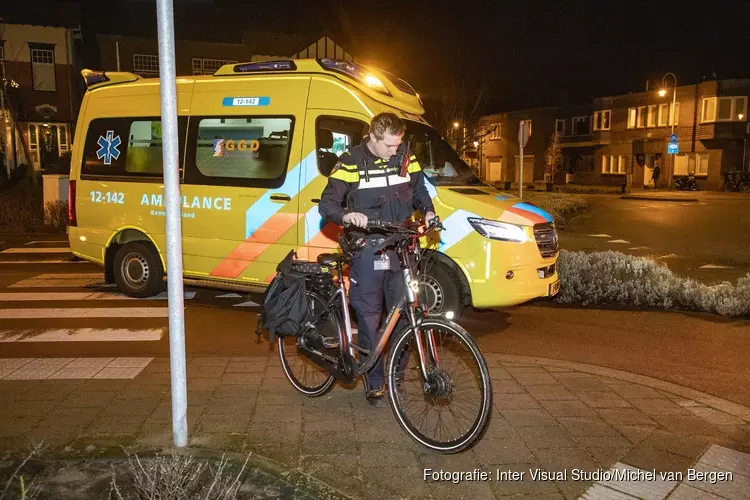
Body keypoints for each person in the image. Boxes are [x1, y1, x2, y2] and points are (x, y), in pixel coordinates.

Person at [318, 112, 436, 408]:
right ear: (372, 137)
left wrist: (429, 211)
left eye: (398, 145)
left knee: (403, 313)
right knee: (369, 317)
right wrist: (346, 215)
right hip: (368, 249)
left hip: (402, 246)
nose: (396, 151)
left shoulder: (406, 156)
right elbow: (327, 204)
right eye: (389, 146)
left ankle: (395, 374)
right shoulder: (350, 162)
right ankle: (374, 382)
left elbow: (420, 190)